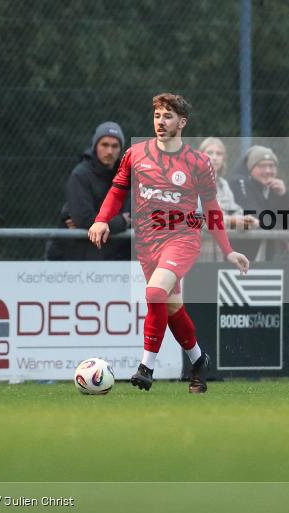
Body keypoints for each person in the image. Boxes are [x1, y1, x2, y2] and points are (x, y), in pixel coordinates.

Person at [88, 94, 250, 394]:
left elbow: (212, 208)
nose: (161, 122)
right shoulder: (135, 154)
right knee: (171, 306)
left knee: (154, 292)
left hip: (183, 238)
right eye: (157, 116)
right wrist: (101, 219)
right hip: (148, 243)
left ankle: (146, 367)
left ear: (182, 122)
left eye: (168, 116)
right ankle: (199, 361)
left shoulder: (198, 162)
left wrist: (228, 250)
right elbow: (116, 191)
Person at [46, 122, 130, 261]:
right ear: (95, 146)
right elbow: (84, 219)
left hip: (112, 257)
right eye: (104, 145)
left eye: (115, 146)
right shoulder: (80, 175)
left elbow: (135, 216)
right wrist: (121, 222)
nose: (109, 151)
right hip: (72, 257)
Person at [230, 144, 289, 260]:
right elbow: (252, 214)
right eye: (262, 166)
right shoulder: (238, 183)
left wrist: (284, 195)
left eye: (271, 166)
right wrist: (280, 233)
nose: (268, 171)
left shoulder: (273, 189)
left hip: (264, 258)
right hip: (237, 257)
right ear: (250, 168)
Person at [197, 137, 258, 262]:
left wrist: (248, 221)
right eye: (209, 152)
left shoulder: (223, 184)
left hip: (218, 251)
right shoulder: (193, 182)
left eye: (218, 153)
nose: (214, 157)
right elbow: (200, 220)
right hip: (195, 249)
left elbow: (235, 211)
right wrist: (233, 222)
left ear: (224, 158)